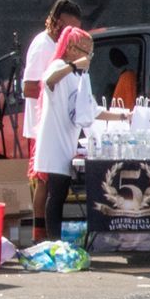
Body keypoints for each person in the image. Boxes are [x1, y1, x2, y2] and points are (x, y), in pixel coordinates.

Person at [29, 25, 95, 244]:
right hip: (53, 142)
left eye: (90, 53)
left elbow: (90, 109)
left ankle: (53, 239)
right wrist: (72, 66)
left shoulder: (79, 77)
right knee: (56, 193)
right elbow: (49, 81)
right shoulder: (58, 66)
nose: (88, 57)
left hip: (67, 142)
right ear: (70, 48)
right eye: (85, 51)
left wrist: (124, 117)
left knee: (59, 192)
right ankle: (53, 240)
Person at [23, 0, 83, 216]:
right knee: (44, 183)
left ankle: (44, 236)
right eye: (68, 28)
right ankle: (40, 238)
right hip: (42, 128)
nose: (70, 35)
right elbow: (29, 87)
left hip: (55, 127)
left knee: (51, 185)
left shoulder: (61, 48)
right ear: (55, 21)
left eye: (76, 30)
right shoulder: (43, 45)